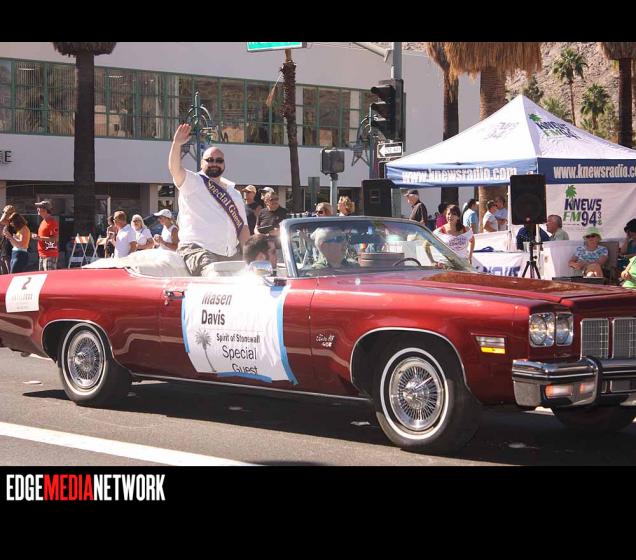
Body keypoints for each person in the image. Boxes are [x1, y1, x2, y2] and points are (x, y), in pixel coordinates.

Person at [168, 123, 249, 276]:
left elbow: (243, 229)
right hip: (198, 251)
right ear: (202, 163)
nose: (214, 163)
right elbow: (174, 169)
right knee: (214, 276)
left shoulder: (234, 193)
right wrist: (176, 144)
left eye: (219, 160)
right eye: (209, 160)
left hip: (230, 254)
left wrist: (249, 258)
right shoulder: (192, 182)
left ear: (224, 164)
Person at [30, 200, 59, 270]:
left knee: (49, 276)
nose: (37, 209)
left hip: (49, 254)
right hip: (42, 254)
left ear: (45, 210)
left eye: (39, 207)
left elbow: (55, 239)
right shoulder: (43, 221)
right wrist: (36, 236)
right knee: (43, 275)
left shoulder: (52, 222)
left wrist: (40, 238)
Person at [0, 205, 17, 274]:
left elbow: (1, 221)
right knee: (4, 274)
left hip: (9, 251)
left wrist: (5, 212)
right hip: (4, 251)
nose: (4, 214)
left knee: (10, 273)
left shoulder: (13, 222)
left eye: (5, 212)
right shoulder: (7, 223)